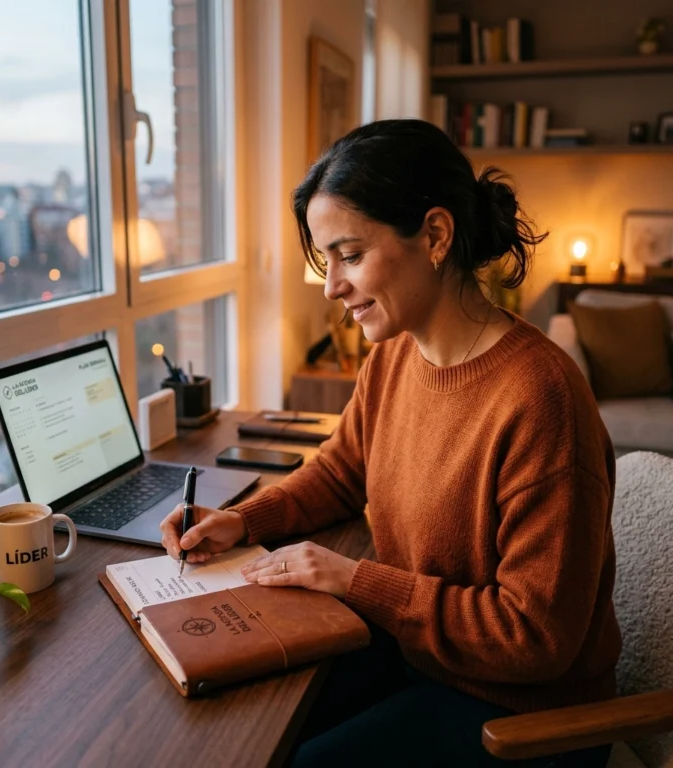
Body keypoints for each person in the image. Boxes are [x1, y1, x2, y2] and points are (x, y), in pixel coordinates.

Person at [160, 119, 621, 767]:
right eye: (327, 261)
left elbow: (536, 638)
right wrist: (240, 519)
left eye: (349, 255)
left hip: (521, 717)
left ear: (435, 234)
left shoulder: (540, 398)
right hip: (424, 659)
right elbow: (344, 471)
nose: (331, 286)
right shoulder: (396, 354)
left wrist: (355, 580)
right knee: (232, 720)